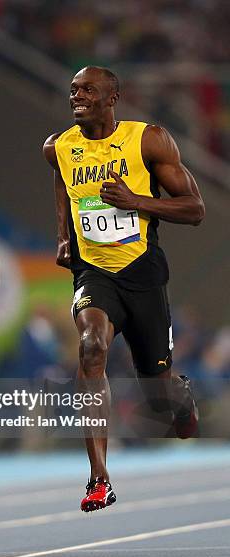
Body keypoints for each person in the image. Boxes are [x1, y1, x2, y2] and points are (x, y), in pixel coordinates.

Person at [43, 66, 204, 513]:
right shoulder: (59, 147)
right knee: (91, 348)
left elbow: (194, 209)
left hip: (144, 272)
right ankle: (99, 478)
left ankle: (179, 396)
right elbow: (62, 183)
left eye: (88, 90)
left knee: (156, 389)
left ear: (114, 97)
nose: (77, 96)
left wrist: (137, 201)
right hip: (94, 272)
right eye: (73, 89)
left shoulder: (148, 140)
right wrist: (63, 235)